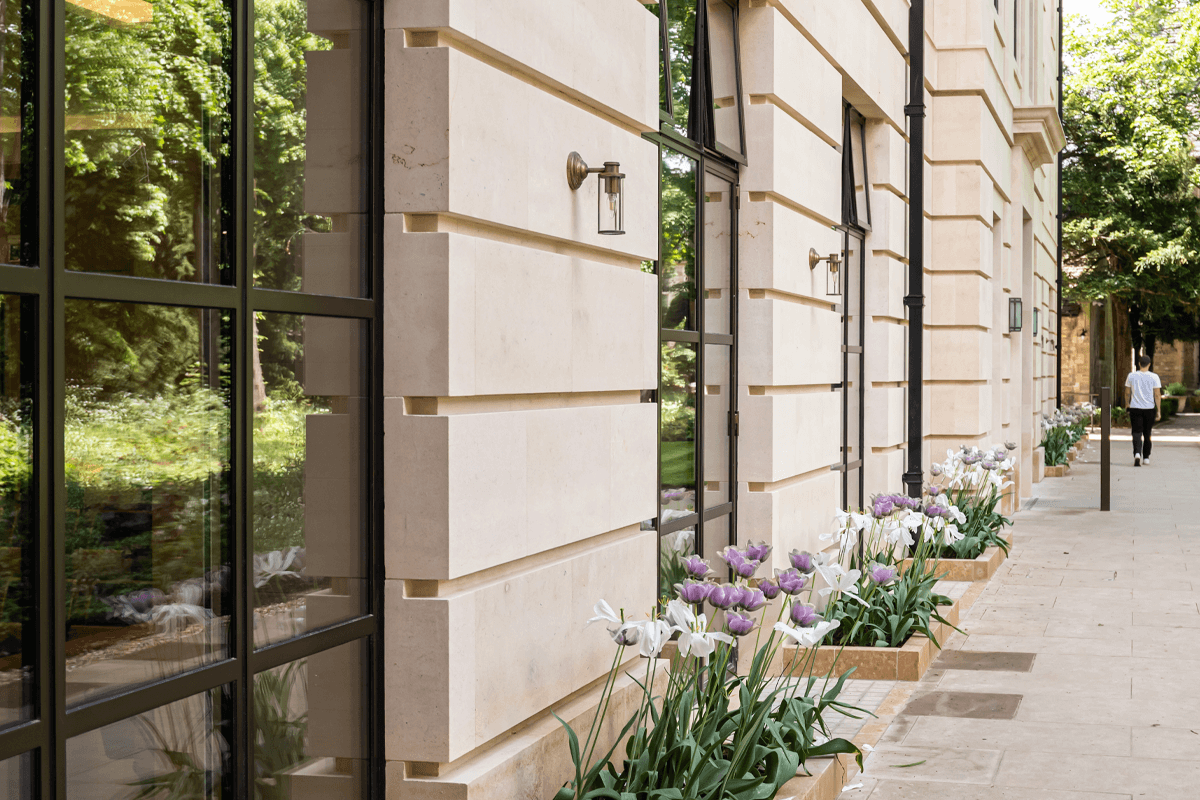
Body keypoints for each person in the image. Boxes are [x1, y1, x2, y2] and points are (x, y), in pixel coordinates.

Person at [1125, 355, 1161, 466]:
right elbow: (1157, 395)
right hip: (1149, 409)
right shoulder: (1154, 377)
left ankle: (1137, 453)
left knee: (1136, 432)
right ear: (1149, 364)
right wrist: (1158, 410)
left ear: (1139, 364)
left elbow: (1127, 392)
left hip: (1135, 408)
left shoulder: (1131, 376)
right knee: (1147, 433)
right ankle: (1146, 457)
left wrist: (1127, 404)